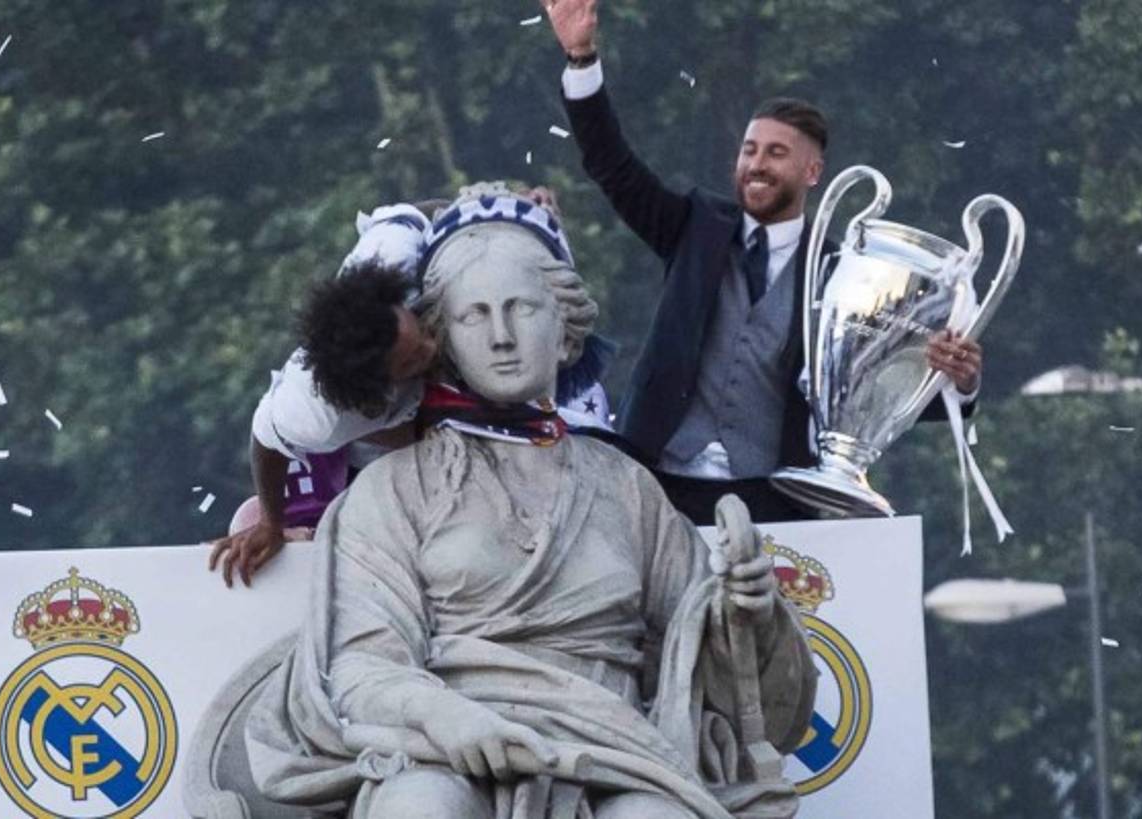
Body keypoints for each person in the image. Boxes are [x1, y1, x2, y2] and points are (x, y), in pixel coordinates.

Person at [243, 188, 816, 819]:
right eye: (473, 316)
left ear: (565, 329)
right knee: (420, 807)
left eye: (522, 308)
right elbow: (360, 667)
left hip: (615, 748)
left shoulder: (627, 486)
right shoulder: (387, 488)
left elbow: (716, 680)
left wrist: (749, 613)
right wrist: (450, 719)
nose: (502, 337)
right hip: (445, 745)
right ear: (444, 337)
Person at [542, 0, 983, 525]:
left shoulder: (841, 275)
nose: (756, 164)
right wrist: (581, 57)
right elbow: (610, 164)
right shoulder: (694, 229)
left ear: (812, 170)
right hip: (661, 487)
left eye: (776, 153)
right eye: (749, 150)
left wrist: (958, 379)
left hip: (776, 499)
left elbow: (878, 394)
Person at [209, 187, 615, 587]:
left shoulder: (389, 255)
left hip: (445, 404)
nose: (432, 345)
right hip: (376, 444)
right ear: (381, 386)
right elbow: (264, 438)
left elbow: (431, 214)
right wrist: (271, 523)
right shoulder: (316, 413)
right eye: (414, 358)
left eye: (419, 330)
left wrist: (501, 211)